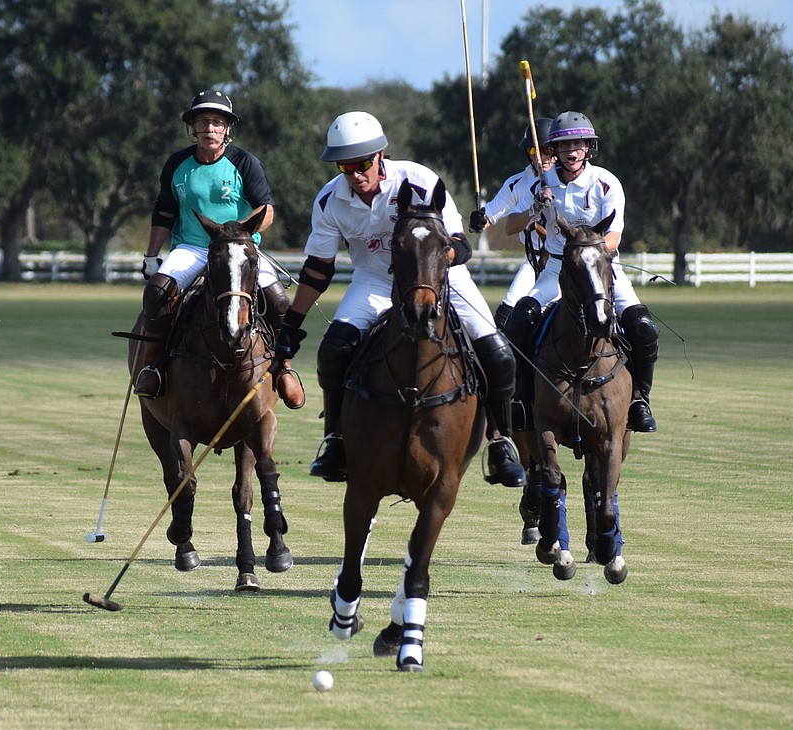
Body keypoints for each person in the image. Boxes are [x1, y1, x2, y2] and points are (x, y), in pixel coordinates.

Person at [270, 111, 526, 487]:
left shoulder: (419, 180)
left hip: (440, 278)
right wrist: (291, 327)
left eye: (362, 164)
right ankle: (335, 439)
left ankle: (501, 441)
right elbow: (317, 271)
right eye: (345, 166)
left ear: (380, 155)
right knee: (332, 350)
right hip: (375, 281)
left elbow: (460, 245)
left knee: (498, 353)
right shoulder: (329, 201)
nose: (355, 175)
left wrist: (433, 260)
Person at [134, 89, 304, 410]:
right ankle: (153, 366)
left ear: (227, 128)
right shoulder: (177, 164)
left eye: (217, 122)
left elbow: (266, 209)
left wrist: (243, 233)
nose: (209, 129)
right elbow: (164, 212)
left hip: (239, 249)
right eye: (202, 122)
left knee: (281, 303)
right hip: (194, 247)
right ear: (193, 128)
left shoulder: (244, 162)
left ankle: (284, 368)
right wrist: (151, 255)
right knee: (156, 294)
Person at [503, 111, 660, 432]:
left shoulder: (606, 182)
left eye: (578, 144)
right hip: (556, 270)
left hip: (602, 268)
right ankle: (520, 400)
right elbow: (510, 226)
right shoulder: (541, 183)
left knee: (643, 327)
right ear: (555, 150)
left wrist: (587, 252)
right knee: (519, 320)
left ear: (589, 147)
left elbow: (614, 237)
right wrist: (535, 206)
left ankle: (640, 400)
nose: (571, 151)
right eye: (564, 146)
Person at [468, 117, 557, 329]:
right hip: (534, 261)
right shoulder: (517, 184)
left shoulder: (568, 180)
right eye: (535, 151)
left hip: (563, 260)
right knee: (504, 317)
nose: (542, 157)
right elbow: (490, 216)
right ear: (528, 153)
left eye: (548, 150)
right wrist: (478, 220)